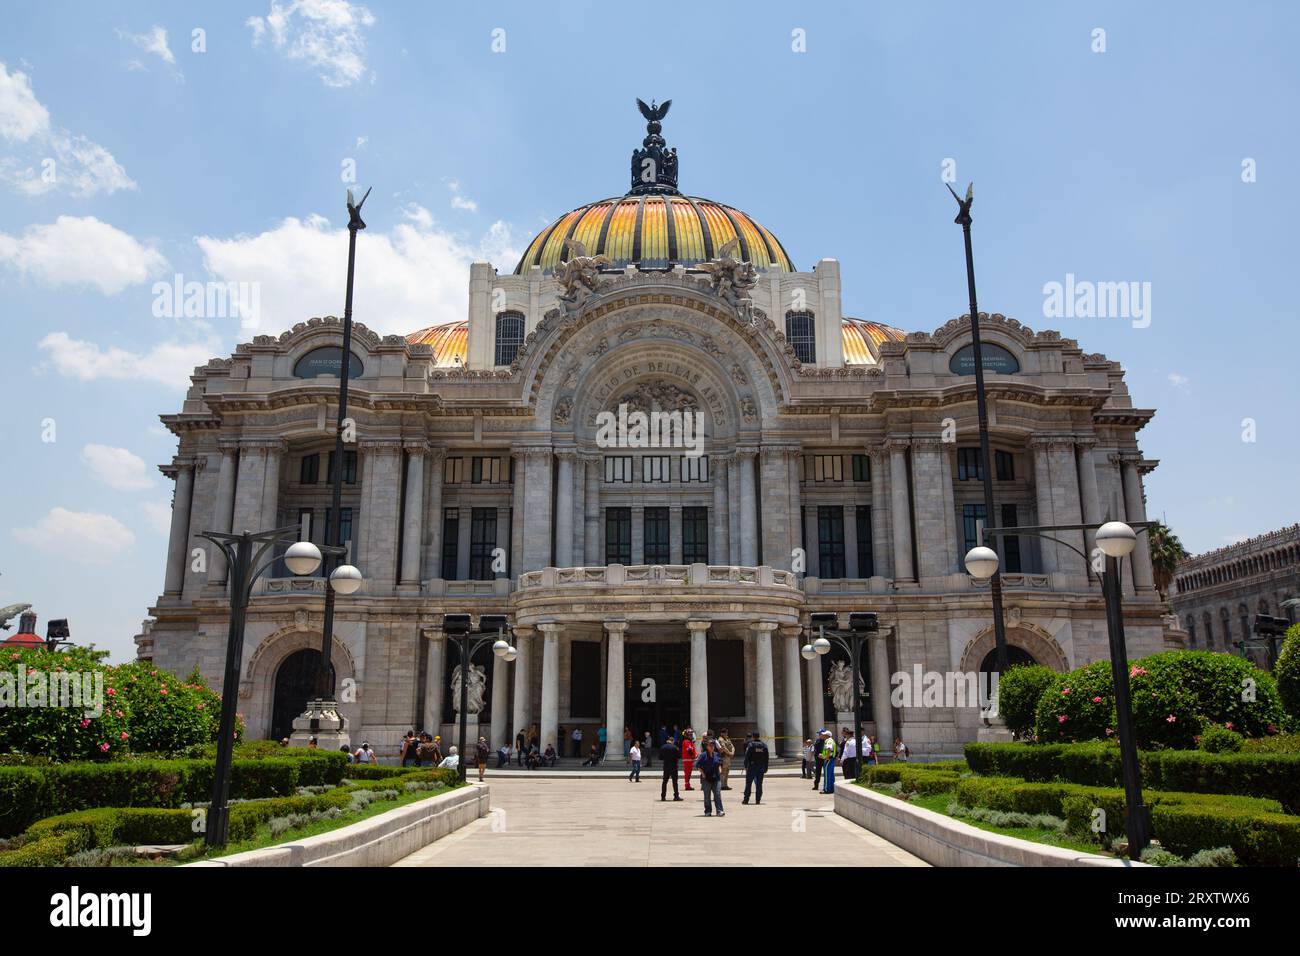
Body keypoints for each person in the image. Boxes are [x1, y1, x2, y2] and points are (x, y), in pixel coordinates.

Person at [697, 738, 725, 816]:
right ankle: (708, 811)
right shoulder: (703, 755)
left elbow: (719, 763)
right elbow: (698, 766)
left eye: (713, 745)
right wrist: (703, 774)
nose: (712, 747)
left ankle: (719, 811)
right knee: (707, 796)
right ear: (707, 746)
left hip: (716, 778)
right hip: (706, 778)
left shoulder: (716, 754)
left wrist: (720, 770)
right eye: (710, 745)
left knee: (717, 794)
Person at [742, 731, 770, 805]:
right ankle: (758, 800)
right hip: (761, 767)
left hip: (752, 767)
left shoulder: (751, 745)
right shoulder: (764, 745)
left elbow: (747, 756)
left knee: (748, 783)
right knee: (759, 784)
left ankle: (746, 799)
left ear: (753, 737)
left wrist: (745, 765)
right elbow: (767, 758)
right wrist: (766, 767)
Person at [659, 735, 682, 801]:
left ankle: (663, 796)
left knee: (664, 782)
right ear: (672, 741)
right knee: (675, 782)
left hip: (666, 766)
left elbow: (660, 757)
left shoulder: (663, 747)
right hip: (673, 766)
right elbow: (679, 756)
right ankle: (676, 796)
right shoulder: (675, 747)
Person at [821, 730, 838, 794]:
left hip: (829, 759)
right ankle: (831, 789)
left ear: (827, 735)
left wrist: (826, 757)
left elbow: (829, 749)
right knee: (831, 775)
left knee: (827, 775)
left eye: (824, 735)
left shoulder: (829, 741)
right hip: (831, 759)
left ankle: (827, 789)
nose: (823, 736)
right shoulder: (831, 740)